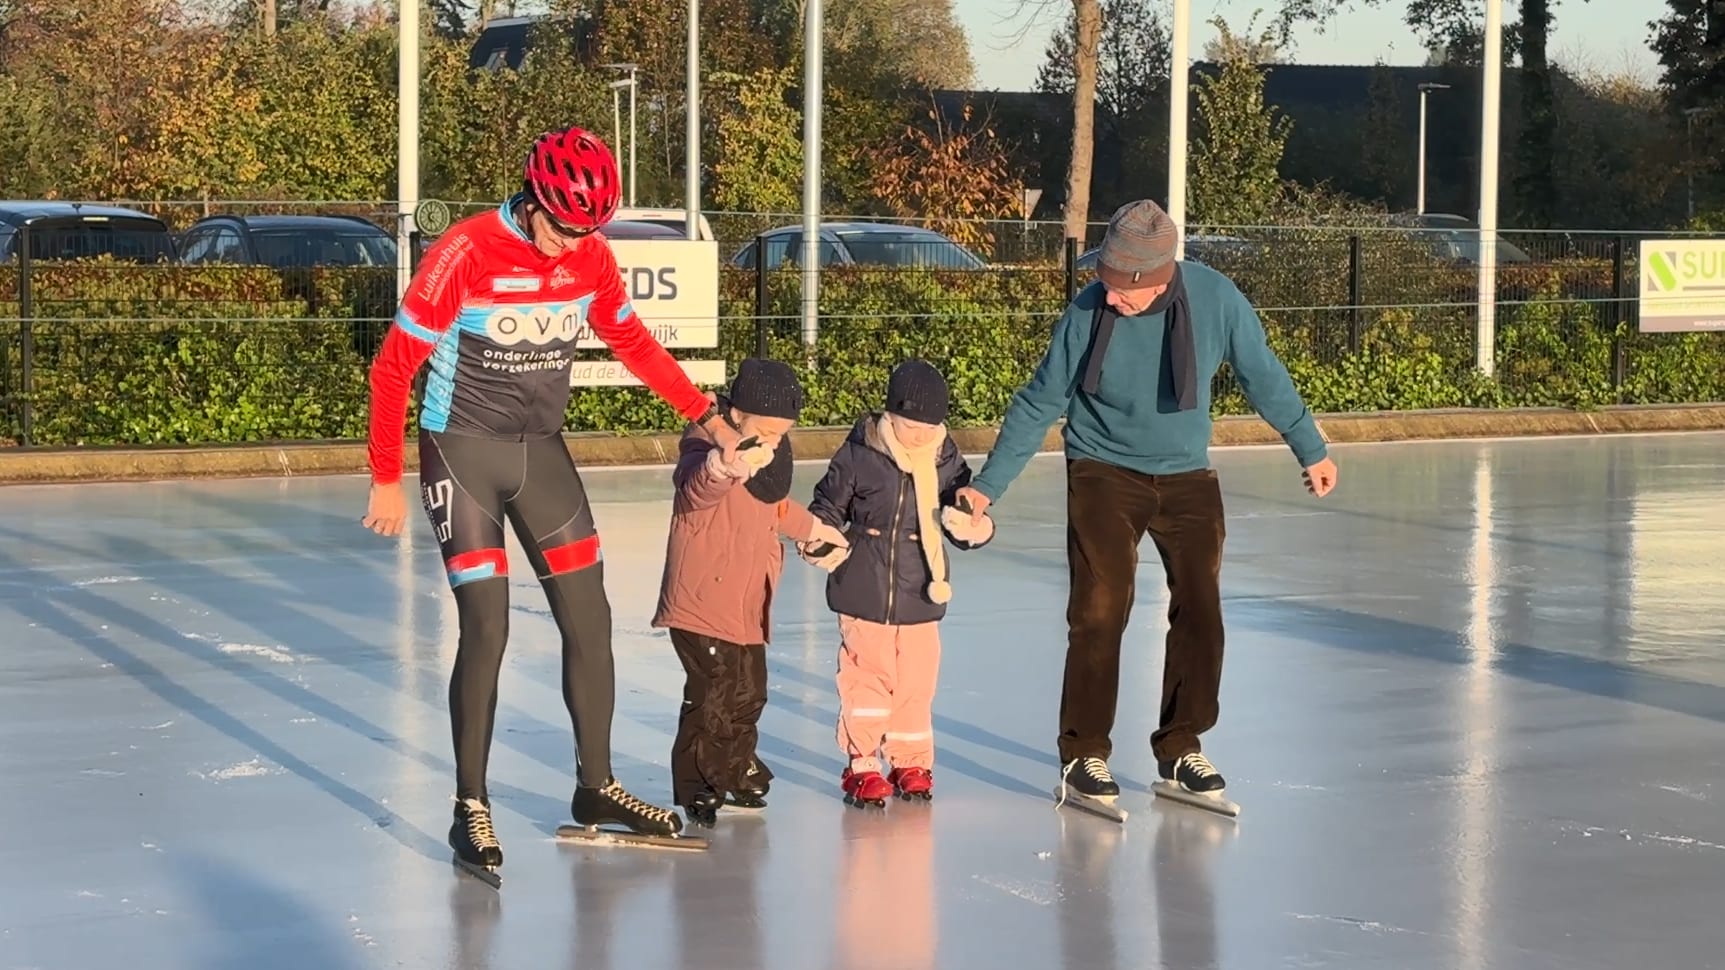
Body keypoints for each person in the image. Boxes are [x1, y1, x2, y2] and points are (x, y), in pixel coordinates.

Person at [360, 126, 745, 876]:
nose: (574, 243)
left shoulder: (591, 255)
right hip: (463, 450)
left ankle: (596, 786)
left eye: (589, 229)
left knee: (590, 616)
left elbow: (630, 340)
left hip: (541, 452)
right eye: (566, 226)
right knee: (489, 625)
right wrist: (384, 475)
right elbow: (392, 368)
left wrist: (707, 416)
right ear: (535, 198)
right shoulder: (466, 252)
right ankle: (469, 804)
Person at [954, 200, 1339, 808]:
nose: (1109, 299)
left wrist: (1310, 448)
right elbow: (1038, 402)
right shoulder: (1086, 312)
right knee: (1101, 608)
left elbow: (1264, 374)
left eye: (1121, 290)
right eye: (1102, 283)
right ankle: (1084, 754)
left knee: (1202, 607)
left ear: (1160, 278)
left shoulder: (1216, 299)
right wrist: (986, 487)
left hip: (1186, 473)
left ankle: (1181, 745)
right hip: (1103, 467)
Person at [650, 358, 849, 827]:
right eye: (767, 429)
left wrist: (811, 531)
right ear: (736, 415)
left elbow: (775, 508)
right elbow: (696, 491)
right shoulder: (704, 447)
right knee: (714, 694)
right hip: (701, 602)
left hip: (746, 604)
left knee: (749, 692)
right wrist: (725, 465)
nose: (774, 441)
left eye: (783, 433)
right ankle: (700, 781)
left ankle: (736, 767)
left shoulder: (769, 459)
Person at [800, 360, 996, 806]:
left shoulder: (945, 458)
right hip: (864, 586)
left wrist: (972, 525)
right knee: (867, 677)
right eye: (912, 426)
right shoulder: (860, 452)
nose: (922, 436)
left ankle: (910, 760)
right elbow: (828, 506)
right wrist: (820, 538)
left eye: (930, 427)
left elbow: (961, 508)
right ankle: (863, 761)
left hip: (922, 589)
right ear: (891, 416)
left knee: (916, 680)